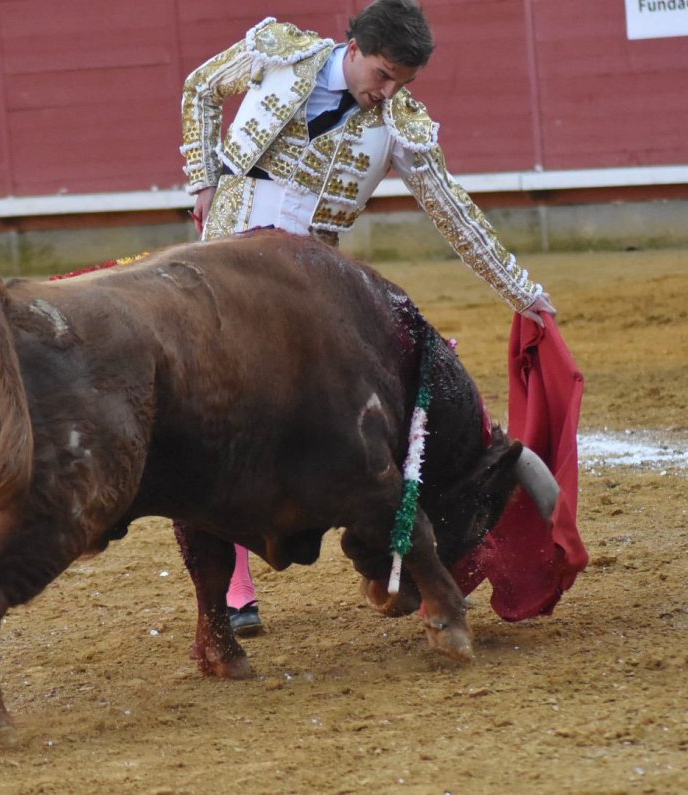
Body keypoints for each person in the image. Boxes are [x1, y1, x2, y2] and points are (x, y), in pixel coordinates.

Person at [179, 0, 556, 636]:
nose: (387, 93)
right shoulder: (281, 52)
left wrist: (525, 293)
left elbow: (454, 212)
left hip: (311, 282)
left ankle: (393, 548)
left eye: (401, 83)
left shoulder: (401, 123)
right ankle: (235, 586)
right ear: (352, 48)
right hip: (225, 258)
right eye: (382, 75)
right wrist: (204, 179)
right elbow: (200, 88)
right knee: (221, 413)